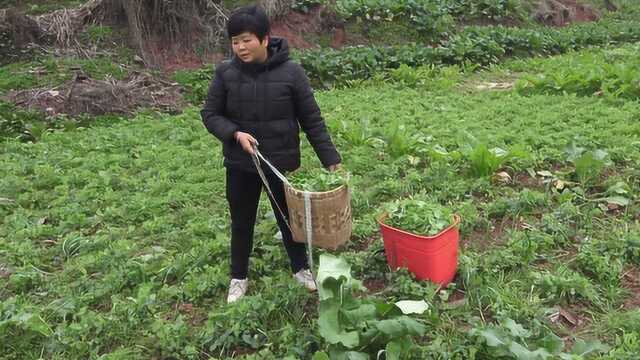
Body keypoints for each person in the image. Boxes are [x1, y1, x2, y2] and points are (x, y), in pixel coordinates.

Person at [201, 5, 342, 303]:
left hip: (278, 163)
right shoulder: (225, 73)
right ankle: (238, 277)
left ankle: (301, 268)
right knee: (241, 221)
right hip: (241, 164)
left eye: (247, 40)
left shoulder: (291, 73)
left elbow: (311, 119)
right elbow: (210, 114)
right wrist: (235, 134)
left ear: (265, 39)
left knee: (288, 218)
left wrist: (331, 160)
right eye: (235, 41)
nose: (240, 47)